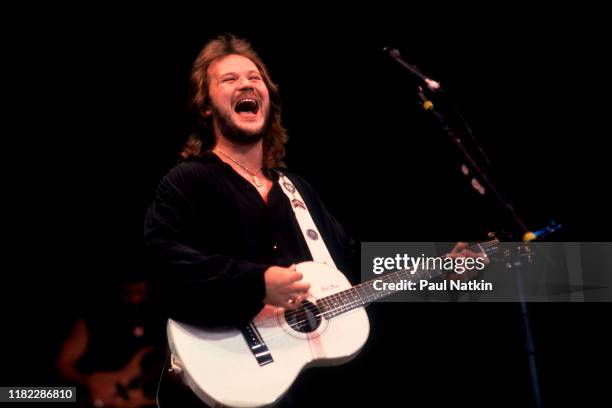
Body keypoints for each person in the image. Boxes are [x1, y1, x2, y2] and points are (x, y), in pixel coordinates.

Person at [144, 34, 482, 407]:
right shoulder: (188, 181)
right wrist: (256, 282)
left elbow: (351, 266)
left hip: (309, 388)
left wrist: (436, 268)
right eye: (229, 79)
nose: (246, 84)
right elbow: (165, 263)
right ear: (205, 106)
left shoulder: (296, 188)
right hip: (226, 375)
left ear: (268, 97)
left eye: (254, 78)